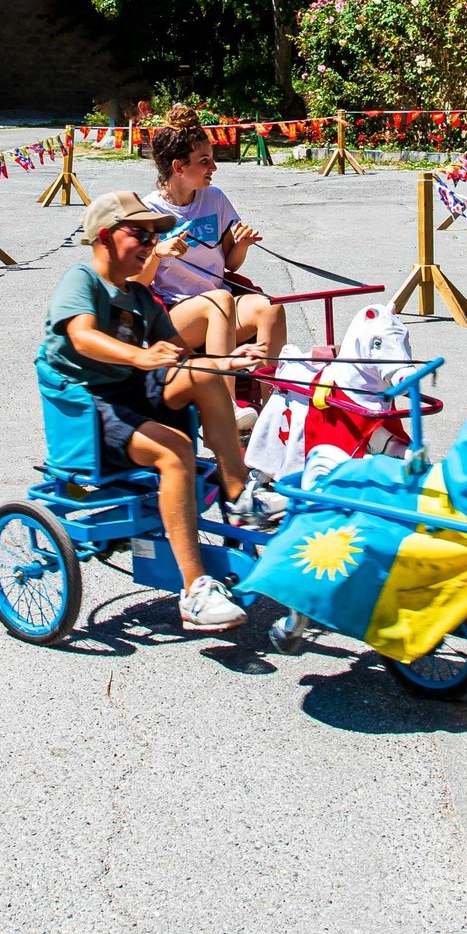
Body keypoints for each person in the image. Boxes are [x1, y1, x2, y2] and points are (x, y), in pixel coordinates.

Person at [37, 190, 283, 631]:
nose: (151, 244)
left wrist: (231, 361)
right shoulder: (83, 280)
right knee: (175, 450)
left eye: (154, 236)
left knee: (206, 373)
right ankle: (195, 593)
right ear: (106, 237)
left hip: (132, 393)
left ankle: (239, 495)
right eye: (141, 234)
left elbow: (184, 355)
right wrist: (138, 357)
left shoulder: (140, 296)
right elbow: (82, 337)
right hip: (91, 406)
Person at [144, 106, 287, 369]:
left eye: (211, 158)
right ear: (178, 167)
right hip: (175, 315)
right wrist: (157, 252)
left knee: (271, 308)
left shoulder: (215, 198)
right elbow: (136, 283)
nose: (214, 167)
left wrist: (243, 245)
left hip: (221, 302)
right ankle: (227, 403)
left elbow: (230, 264)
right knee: (219, 302)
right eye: (204, 161)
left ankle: (271, 401)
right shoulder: (149, 211)